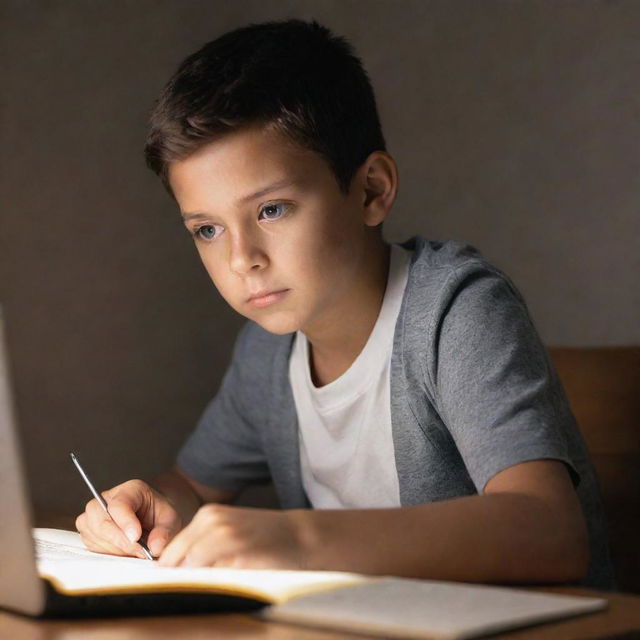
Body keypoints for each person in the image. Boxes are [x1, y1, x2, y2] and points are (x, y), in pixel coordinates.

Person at [75, 18, 615, 589]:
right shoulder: (266, 352)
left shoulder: (455, 312)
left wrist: (299, 537)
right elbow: (193, 486)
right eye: (207, 230)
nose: (242, 259)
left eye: (271, 209)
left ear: (371, 190)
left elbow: (551, 534)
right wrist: (148, 507)